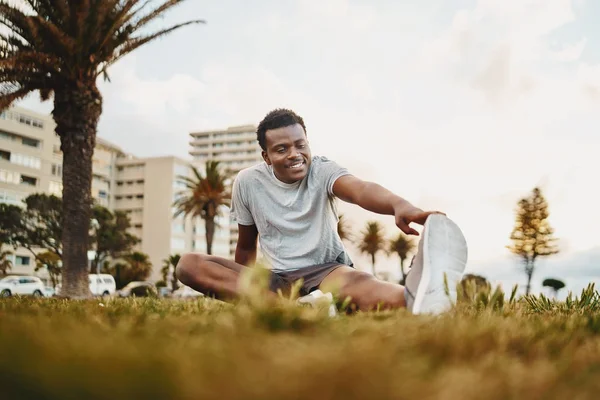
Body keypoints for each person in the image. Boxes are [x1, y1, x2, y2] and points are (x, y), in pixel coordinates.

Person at [176, 108, 468, 314]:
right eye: (281, 149)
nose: (294, 154)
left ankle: (420, 293)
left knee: (372, 291)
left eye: (300, 144)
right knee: (188, 264)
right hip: (276, 280)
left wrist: (399, 205)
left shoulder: (322, 170)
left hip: (329, 271)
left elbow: (360, 189)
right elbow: (245, 246)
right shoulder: (248, 182)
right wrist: (246, 291)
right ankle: (303, 310)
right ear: (266, 156)